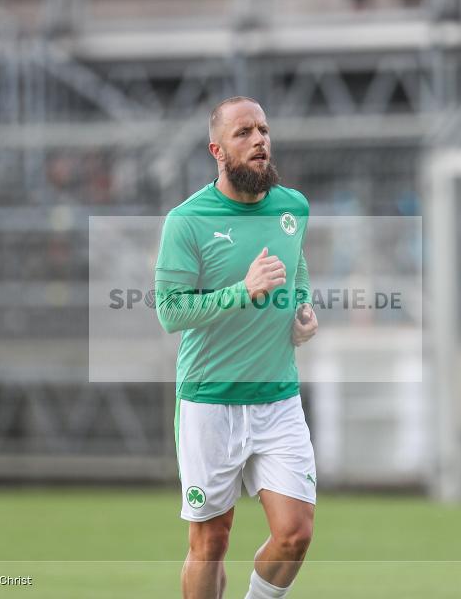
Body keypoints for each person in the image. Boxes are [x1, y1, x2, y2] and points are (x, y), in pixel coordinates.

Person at [155, 96, 319, 599]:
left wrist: (302, 312)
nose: (259, 141)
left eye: (264, 130)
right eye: (243, 133)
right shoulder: (186, 221)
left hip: (278, 398)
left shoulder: (293, 207)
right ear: (217, 150)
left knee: (295, 534)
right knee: (211, 541)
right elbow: (171, 311)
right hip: (210, 401)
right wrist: (241, 292)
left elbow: (296, 268)